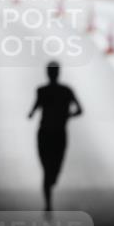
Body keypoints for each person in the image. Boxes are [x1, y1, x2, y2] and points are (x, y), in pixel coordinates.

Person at [28, 64, 83, 212]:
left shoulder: (43, 91)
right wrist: (67, 116)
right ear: (58, 73)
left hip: (46, 133)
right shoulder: (65, 91)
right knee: (54, 166)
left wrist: (31, 114)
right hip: (58, 134)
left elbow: (34, 109)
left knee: (48, 167)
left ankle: (48, 195)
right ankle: (48, 201)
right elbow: (80, 110)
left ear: (48, 73)